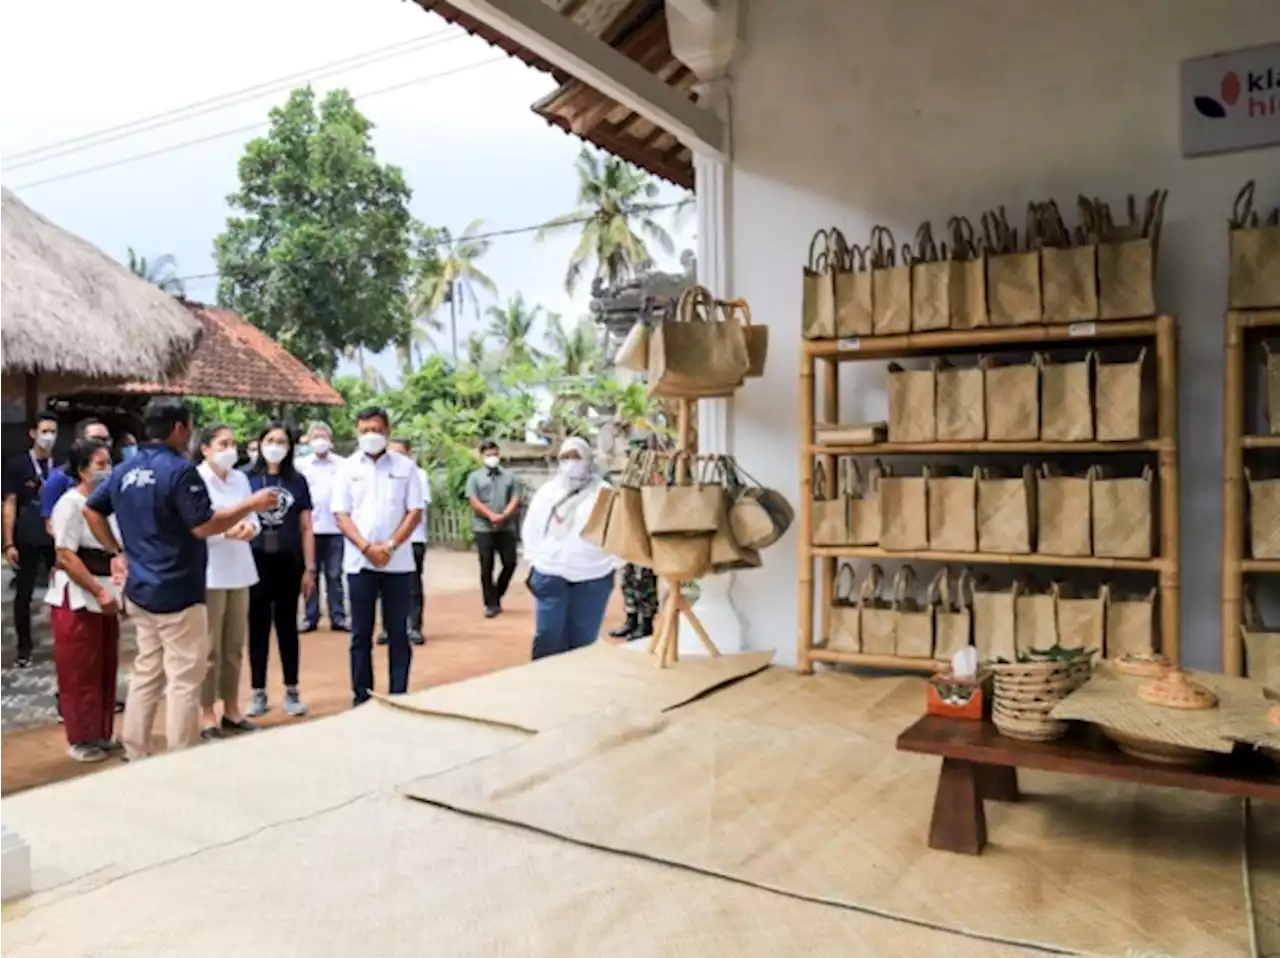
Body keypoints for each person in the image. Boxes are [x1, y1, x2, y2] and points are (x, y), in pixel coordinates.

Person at [83, 397, 280, 761]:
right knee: (184, 679)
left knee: (147, 673)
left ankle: (136, 752)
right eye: (189, 427)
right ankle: (181, 759)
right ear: (178, 429)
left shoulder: (126, 470)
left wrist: (117, 552)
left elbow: (92, 509)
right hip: (178, 590)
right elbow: (203, 525)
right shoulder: (179, 470)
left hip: (141, 589)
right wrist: (250, 505)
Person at [331, 407, 424, 705]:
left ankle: (399, 693)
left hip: (398, 564)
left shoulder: (406, 467)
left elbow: (414, 511)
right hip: (360, 564)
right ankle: (362, 696)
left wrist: (391, 546)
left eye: (376, 429)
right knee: (360, 633)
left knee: (398, 632)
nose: (370, 435)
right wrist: (367, 548)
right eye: (364, 430)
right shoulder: (346, 468)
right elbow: (341, 514)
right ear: (357, 433)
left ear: (388, 431)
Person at [46, 438, 122, 762]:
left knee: (105, 664)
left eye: (109, 463)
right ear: (82, 470)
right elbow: (66, 555)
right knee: (79, 668)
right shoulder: (69, 504)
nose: (107, 470)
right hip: (79, 593)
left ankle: (101, 732)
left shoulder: (108, 504)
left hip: (107, 587)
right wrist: (97, 590)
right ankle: (80, 737)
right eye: (100, 464)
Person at [194, 424, 261, 741]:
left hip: (240, 569)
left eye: (233, 443)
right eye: (223, 444)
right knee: (209, 649)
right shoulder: (195, 479)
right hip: (210, 571)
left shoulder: (241, 479)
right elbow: (197, 524)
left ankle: (232, 708)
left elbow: (253, 517)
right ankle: (206, 713)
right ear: (205, 449)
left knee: (234, 645)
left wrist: (249, 529)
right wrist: (225, 532)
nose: (229, 450)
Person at [521, 437, 617, 660]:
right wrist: (535, 560)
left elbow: (617, 531)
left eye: (576, 457)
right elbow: (532, 529)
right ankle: (545, 687)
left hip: (592, 576)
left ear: (587, 459)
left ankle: (576, 688)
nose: (570, 463)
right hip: (551, 573)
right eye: (565, 458)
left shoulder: (604, 493)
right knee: (548, 635)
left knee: (583, 640)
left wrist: (611, 562)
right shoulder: (548, 492)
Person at [245, 422, 315, 719]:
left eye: (282, 441)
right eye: (270, 439)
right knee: (257, 627)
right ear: (260, 443)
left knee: (287, 626)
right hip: (254, 561)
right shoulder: (245, 479)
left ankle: (292, 689)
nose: (276, 445)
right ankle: (258, 692)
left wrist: (310, 568)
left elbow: (306, 526)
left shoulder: (297, 481)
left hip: (289, 562)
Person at [3, 412, 59, 668]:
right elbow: (10, 504)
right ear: (33, 433)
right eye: (45, 431)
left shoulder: (61, 464)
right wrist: (8, 542)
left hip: (56, 539)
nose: (49, 437)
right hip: (26, 537)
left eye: (53, 432)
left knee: (61, 591)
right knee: (23, 593)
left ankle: (64, 642)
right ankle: (24, 648)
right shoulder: (17, 465)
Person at [298, 421, 348, 632]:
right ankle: (310, 617)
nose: (320, 441)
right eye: (316, 437)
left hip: (336, 528)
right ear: (308, 441)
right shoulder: (300, 465)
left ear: (331, 441)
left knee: (335, 575)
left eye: (324, 437)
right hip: (309, 529)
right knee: (310, 574)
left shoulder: (343, 465)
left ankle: (338, 616)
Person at [382, 438, 430, 646]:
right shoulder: (382, 474)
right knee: (385, 585)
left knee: (413, 584)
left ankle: (414, 626)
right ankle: (387, 627)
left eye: (401, 452)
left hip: (413, 539)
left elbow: (417, 509)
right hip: (386, 540)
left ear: (409, 454)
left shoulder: (419, 475)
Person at [465, 440, 520, 618]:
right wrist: (490, 515)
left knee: (510, 563)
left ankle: (497, 593)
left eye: (495, 454)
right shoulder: (475, 477)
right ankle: (490, 603)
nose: (492, 458)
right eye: (488, 455)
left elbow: (515, 498)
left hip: (506, 526)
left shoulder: (509, 477)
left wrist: (504, 515)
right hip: (483, 527)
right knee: (486, 565)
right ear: (482, 456)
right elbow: (473, 500)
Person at [41, 418, 113, 531]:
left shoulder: (114, 476)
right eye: (96, 439)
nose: (102, 444)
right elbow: (51, 524)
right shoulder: (59, 478)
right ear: (79, 441)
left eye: (106, 439)